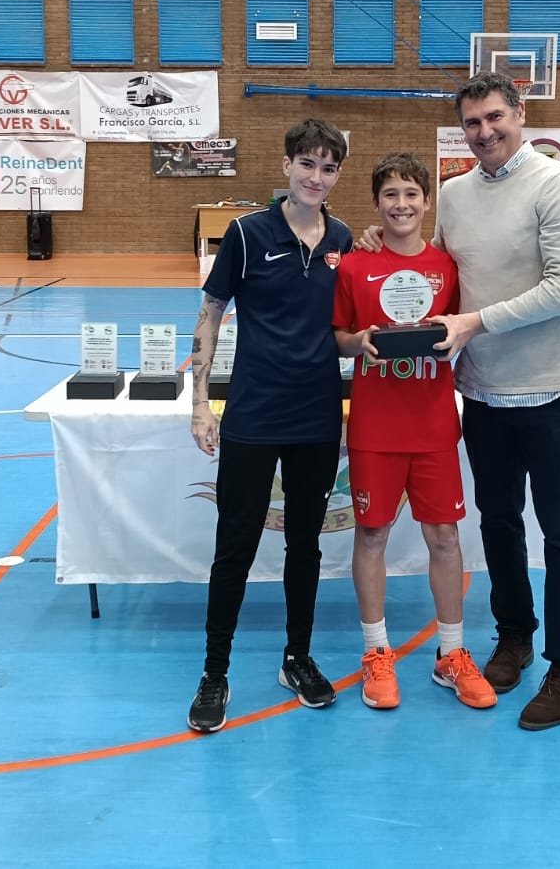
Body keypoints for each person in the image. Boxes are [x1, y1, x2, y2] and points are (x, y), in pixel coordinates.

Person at [366, 74, 560, 730]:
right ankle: (515, 636)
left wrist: (475, 322)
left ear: (520, 115)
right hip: (483, 392)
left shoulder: (559, 185)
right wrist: (378, 248)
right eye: (472, 123)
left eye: (495, 117)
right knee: (498, 523)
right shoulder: (457, 195)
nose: (485, 131)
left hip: (552, 388)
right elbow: (434, 272)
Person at [185, 117, 354, 734]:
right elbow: (210, 312)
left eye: (328, 168)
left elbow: (346, 321)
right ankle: (215, 671)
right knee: (234, 547)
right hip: (254, 416)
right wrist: (199, 402)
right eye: (307, 164)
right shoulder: (246, 233)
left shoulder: (342, 237)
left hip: (316, 418)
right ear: (287, 166)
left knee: (305, 544)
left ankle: (296, 658)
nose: (316, 177)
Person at [333, 151, 496, 712]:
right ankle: (376, 651)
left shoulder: (448, 267)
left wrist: (453, 337)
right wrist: (360, 342)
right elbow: (338, 336)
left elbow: (466, 326)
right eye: (390, 195)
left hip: (433, 427)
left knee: (445, 537)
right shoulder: (355, 265)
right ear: (376, 203)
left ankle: (451, 653)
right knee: (372, 535)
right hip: (375, 428)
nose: (400, 204)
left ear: (428, 202)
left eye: (410, 194)